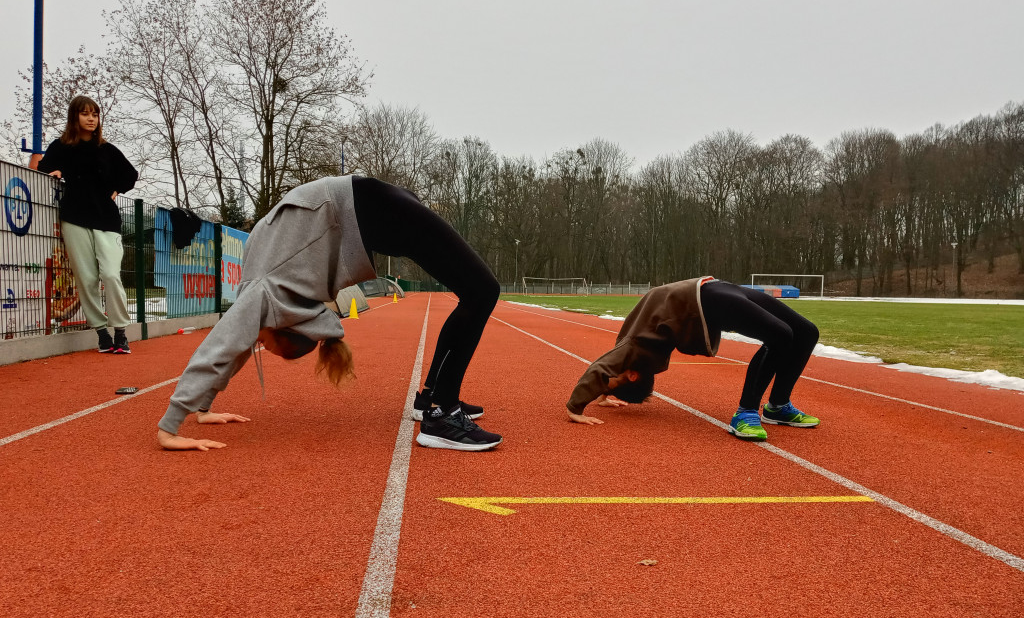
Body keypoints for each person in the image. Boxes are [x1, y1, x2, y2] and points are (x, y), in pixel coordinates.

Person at [156, 175, 502, 452]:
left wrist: (169, 428)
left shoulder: (262, 292)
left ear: (282, 326)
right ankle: (435, 403)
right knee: (477, 291)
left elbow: (221, 347)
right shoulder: (266, 291)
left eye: (265, 344)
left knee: (482, 290)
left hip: (368, 209)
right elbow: (235, 346)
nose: (256, 345)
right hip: (367, 207)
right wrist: (204, 409)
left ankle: (438, 410)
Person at [565, 277, 820, 441]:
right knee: (784, 334)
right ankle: (748, 412)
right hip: (709, 295)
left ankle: (775, 407)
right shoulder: (634, 349)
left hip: (707, 293)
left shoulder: (632, 349)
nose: (611, 377)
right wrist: (605, 392)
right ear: (633, 376)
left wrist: (575, 408)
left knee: (806, 333)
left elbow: (602, 368)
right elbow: (608, 369)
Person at [37, 95, 139, 354]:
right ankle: (102, 333)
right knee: (87, 278)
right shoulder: (60, 147)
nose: (91, 118)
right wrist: (55, 173)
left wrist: (116, 189)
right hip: (74, 218)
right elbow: (44, 168)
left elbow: (130, 175)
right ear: (75, 117)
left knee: (111, 275)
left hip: (106, 219)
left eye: (95, 114)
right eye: (85, 114)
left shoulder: (107, 149)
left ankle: (120, 331)